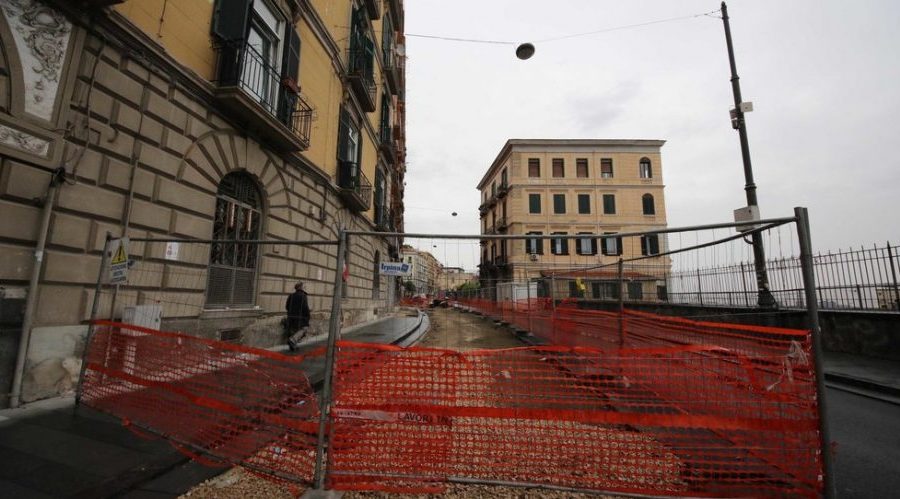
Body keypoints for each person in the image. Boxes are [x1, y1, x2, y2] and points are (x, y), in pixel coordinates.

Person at [285, 282, 310, 351]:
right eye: (303, 286)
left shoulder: (291, 295)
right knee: (304, 328)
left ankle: (293, 346)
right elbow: (305, 307)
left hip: (291, 316)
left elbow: (287, 306)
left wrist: (290, 312)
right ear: (301, 287)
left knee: (294, 330)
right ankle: (292, 340)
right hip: (300, 317)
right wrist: (308, 316)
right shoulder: (303, 296)